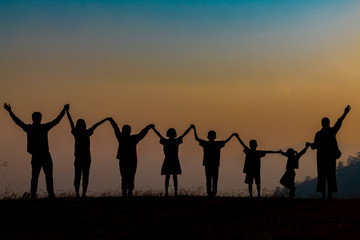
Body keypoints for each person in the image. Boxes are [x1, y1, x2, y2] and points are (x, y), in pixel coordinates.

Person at [3, 103, 69, 198]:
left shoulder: (30, 128)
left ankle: (35, 195)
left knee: (36, 177)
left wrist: (10, 112)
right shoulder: (42, 128)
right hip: (44, 155)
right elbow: (56, 121)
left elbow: (18, 122)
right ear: (40, 119)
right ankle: (49, 194)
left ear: (33, 118)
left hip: (37, 155)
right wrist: (64, 110)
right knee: (47, 177)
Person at [66, 109, 111, 197]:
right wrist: (105, 119)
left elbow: (71, 122)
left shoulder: (77, 133)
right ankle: (82, 194)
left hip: (80, 158)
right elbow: (96, 125)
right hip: (85, 158)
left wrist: (67, 112)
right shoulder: (86, 133)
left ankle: (79, 194)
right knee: (84, 176)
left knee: (78, 176)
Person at [309, 105, 351, 199]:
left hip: (321, 159)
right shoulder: (331, 132)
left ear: (322, 124)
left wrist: (309, 144)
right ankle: (329, 195)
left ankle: (324, 195)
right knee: (330, 176)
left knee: (322, 176)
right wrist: (345, 113)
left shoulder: (319, 134)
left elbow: (315, 146)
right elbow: (339, 122)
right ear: (328, 123)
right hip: (330, 158)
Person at [109, 119, 154, 197]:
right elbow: (142, 134)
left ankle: (125, 192)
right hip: (132, 160)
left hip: (125, 160)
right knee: (130, 176)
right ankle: (128, 192)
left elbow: (116, 128)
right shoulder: (132, 138)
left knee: (125, 177)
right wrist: (148, 127)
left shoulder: (121, 138)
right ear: (129, 131)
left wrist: (111, 121)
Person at [192, 125, 236, 197]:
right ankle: (213, 193)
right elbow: (226, 141)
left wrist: (194, 129)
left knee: (209, 179)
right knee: (214, 179)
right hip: (214, 164)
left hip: (209, 163)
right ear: (214, 137)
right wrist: (232, 135)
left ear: (208, 137)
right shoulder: (217, 144)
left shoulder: (206, 143)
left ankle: (210, 193)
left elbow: (197, 138)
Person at [152, 125, 193, 197]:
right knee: (173, 176)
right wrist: (190, 128)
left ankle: (170, 192)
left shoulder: (166, 141)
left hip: (170, 159)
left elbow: (158, 134)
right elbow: (184, 134)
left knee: (170, 176)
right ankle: (173, 192)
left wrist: (153, 128)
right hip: (173, 160)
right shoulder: (175, 141)